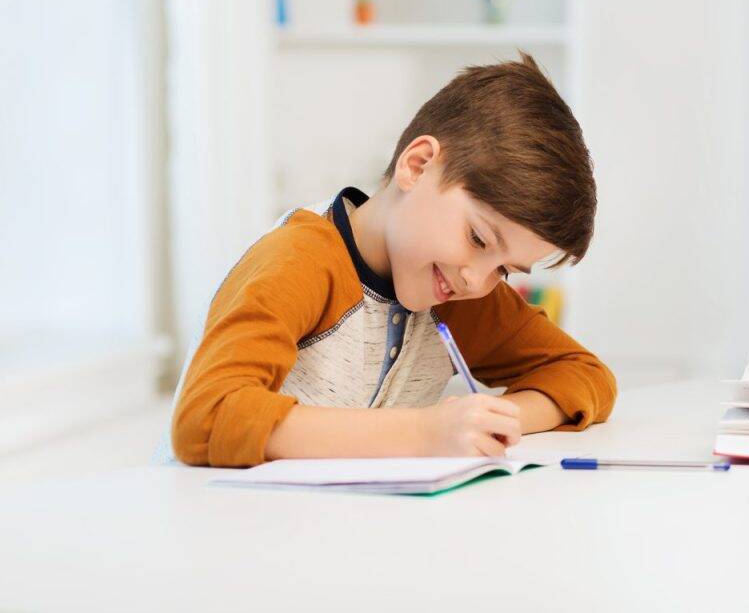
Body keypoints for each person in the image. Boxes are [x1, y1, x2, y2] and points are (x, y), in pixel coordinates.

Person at [170, 51, 615, 467]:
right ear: (417, 165)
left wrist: (494, 420)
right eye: (478, 239)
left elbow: (586, 375)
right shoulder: (299, 261)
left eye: (503, 269)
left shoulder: (460, 294)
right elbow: (206, 416)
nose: (475, 280)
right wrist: (424, 433)